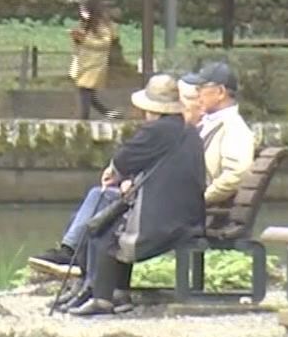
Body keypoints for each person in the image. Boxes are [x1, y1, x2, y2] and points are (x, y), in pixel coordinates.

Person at [62, 73, 206, 316]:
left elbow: (124, 158)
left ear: (152, 108)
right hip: (188, 215)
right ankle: (111, 292)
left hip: (165, 222)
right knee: (105, 218)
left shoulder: (157, 131)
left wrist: (115, 172)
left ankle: (102, 297)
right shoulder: (188, 131)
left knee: (104, 231)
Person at [182, 61, 255, 209]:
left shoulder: (234, 128)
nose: (197, 94)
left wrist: (201, 199)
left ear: (220, 92)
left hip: (199, 212)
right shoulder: (208, 122)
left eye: (201, 88)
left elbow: (236, 173)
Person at [69, 0, 120, 120]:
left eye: (84, 10)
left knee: (85, 89)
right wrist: (77, 38)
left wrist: (84, 40)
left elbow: (105, 43)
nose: (82, 13)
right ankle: (109, 113)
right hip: (84, 62)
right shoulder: (86, 24)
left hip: (95, 63)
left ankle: (83, 118)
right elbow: (82, 43)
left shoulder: (102, 25)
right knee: (87, 92)